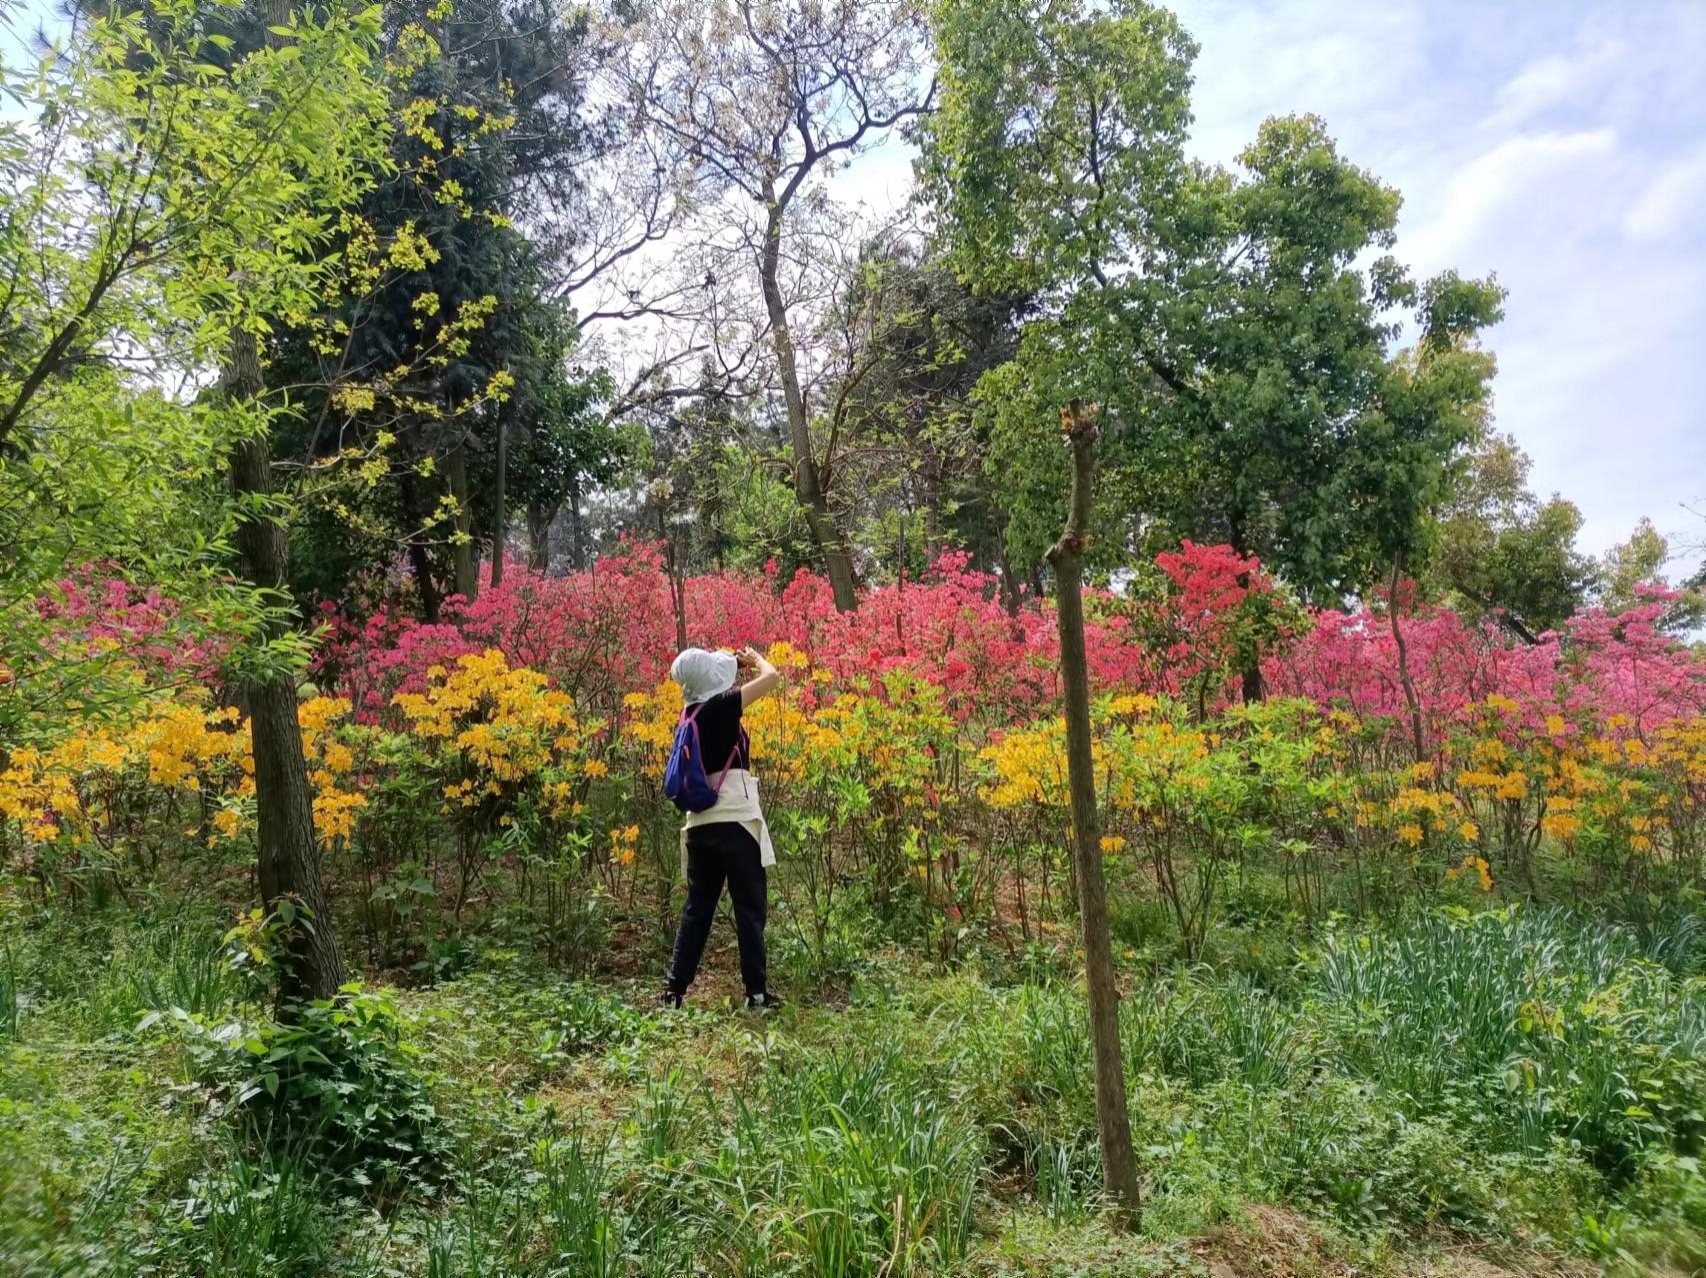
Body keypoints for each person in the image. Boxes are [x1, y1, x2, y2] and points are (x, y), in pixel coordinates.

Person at [662, 644, 783, 1010]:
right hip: (736, 822)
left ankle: (674, 992)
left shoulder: (689, 715)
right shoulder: (723, 707)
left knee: (697, 910)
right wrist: (756, 659)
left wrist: (731, 663)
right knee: (749, 908)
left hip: (699, 826)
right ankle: (756, 995)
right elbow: (772, 678)